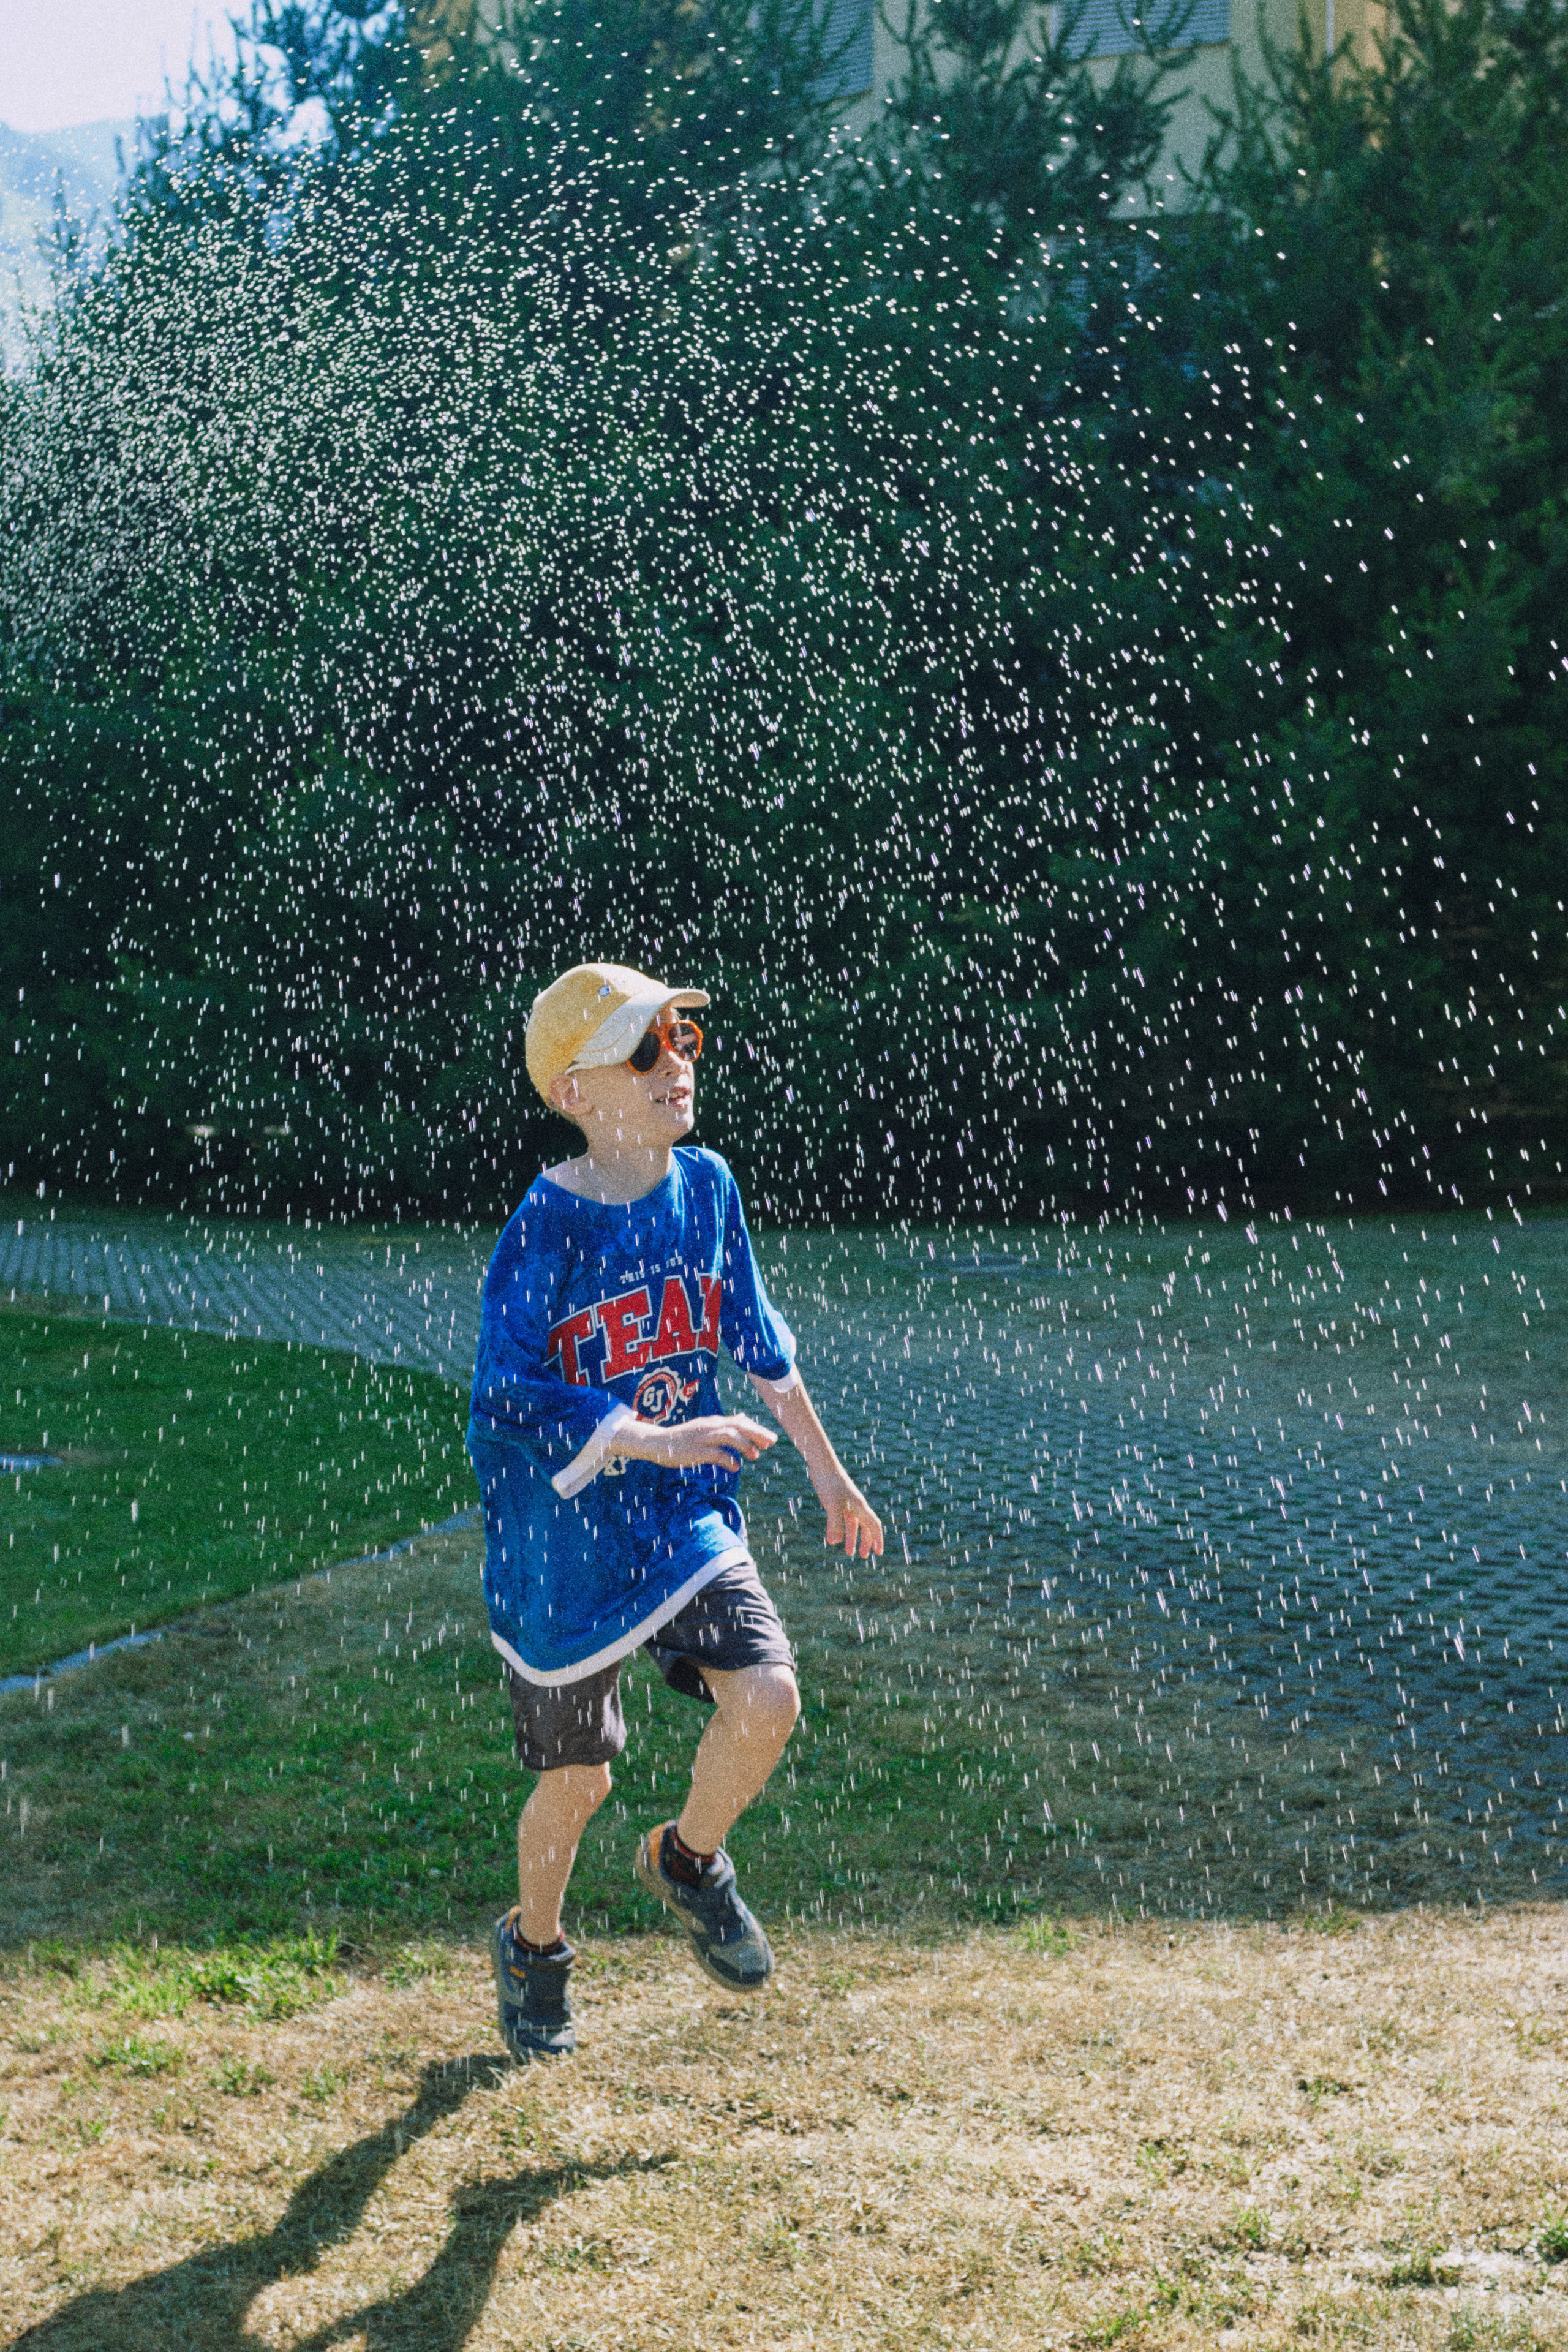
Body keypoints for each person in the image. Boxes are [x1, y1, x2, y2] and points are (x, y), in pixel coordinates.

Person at [469, 961, 883, 2060]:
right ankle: (534, 1946)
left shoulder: (708, 1188)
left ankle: (690, 1861)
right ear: (577, 1090)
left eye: (684, 1040)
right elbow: (502, 1392)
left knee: (769, 1697)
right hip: (562, 1546)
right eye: (646, 1047)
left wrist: (831, 1476)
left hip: (680, 1515)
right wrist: (647, 1437)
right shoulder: (547, 1224)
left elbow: (761, 1343)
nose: (678, 1062)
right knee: (582, 1778)